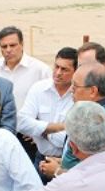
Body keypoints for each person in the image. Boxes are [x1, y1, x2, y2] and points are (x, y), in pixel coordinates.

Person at [40, 63, 105, 177]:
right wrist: (63, 162)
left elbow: (91, 175)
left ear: (93, 91)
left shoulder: (96, 120)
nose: (71, 90)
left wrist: (56, 171)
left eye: (75, 86)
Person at [17, 47, 76, 183]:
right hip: (40, 159)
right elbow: (21, 123)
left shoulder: (77, 96)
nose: (58, 73)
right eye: (56, 66)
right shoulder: (39, 89)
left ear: (75, 72)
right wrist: (57, 128)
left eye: (64, 69)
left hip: (66, 164)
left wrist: (41, 131)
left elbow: (69, 140)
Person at [0, 26, 52, 110]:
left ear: (22, 44)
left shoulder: (40, 70)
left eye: (12, 45)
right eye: (4, 46)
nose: (8, 50)